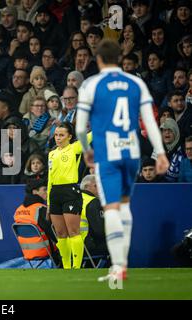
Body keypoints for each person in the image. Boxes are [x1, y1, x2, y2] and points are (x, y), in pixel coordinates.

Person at [75, 40, 169, 281]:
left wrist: (87, 150)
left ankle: (118, 266)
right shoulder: (136, 82)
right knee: (125, 205)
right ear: (120, 58)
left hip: (107, 153)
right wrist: (160, 152)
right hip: (131, 152)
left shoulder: (92, 84)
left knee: (111, 208)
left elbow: (79, 128)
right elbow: (149, 121)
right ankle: (122, 262)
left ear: (98, 60)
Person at [47, 122, 92, 269]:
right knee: (60, 233)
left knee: (73, 231)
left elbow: (91, 136)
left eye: (61, 135)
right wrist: (48, 202)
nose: (58, 138)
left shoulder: (74, 148)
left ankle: (76, 267)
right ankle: (66, 267)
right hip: (55, 193)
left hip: (70, 192)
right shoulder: (52, 154)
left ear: (70, 136)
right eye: (56, 135)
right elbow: (50, 179)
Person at [14, 177, 59, 266]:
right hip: (46, 250)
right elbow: (53, 233)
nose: (47, 192)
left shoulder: (18, 210)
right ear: (35, 192)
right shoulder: (41, 209)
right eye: (44, 189)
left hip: (27, 252)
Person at [79, 175, 108, 258]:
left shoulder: (72, 200)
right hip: (88, 246)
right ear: (86, 186)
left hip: (72, 246)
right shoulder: (93, 202)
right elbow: (100, 231)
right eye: (96, 185)